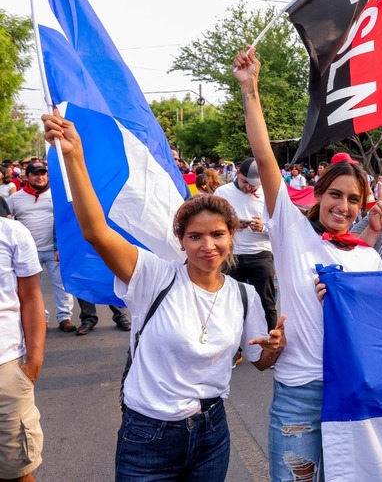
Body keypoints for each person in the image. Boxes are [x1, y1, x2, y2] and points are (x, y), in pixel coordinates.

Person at [41, 111, 283, 482]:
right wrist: (73, 155)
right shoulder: (153, 276)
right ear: (181, 240)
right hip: (148, 435)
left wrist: (274, 348)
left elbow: (259, 362)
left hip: (212, 434)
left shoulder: (244, 296)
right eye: (195, 237)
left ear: (230, 237)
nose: (207, 246)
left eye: (217, 235)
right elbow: (96, 231)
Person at [234, 47, 382, 481]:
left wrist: (345, 303)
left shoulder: (370, 258)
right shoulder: (291, 230)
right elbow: (265, 158)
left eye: (353, 199)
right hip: (299, 389)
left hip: (353, 388)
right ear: (318, 195)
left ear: (361, 205)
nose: (343, 205)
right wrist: (250, 88)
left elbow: (377, 325)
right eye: (335, 194)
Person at [6, 161, 77, 333]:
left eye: (43, 174)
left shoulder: (57, 195)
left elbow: (66, 221)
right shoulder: (15, 198)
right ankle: (40, 319)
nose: (40, 177)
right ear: (27, 177)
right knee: (32, 289)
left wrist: (63, 245)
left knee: (61, 285)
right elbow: (6, 221)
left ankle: (64, 317)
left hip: (54, 250)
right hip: (27, 252)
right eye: (36, 174)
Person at [0, 217, 46, 482]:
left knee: (16, 472)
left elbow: (31, 296)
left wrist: (34, 362)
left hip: (5, 370)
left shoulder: (11, 233)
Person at [214, 158, 278, 331]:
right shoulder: (222, 192)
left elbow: (281, 226)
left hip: (260, 253)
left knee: (266, 301)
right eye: (245, 182)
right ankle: (235, 342)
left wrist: (263, 227)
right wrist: (231, 225)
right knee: (232, 302)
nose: (249, 188)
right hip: (232, 255)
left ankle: (271, 339)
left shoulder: (269, 193)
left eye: (254, 185)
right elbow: (212, 223)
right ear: (238, 173)